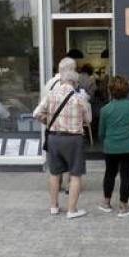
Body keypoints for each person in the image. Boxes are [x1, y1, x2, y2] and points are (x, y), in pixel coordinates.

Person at [34, 70, 92, 219]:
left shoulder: (51, 95)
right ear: (75, 83)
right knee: (75, 175)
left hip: (54, 138)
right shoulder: (79, 98)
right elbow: (89, 119)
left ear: (61, 82)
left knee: (54, 173)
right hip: (74, 139)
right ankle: (72, 210)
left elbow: (36, 113)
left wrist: (47, 121)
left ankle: (54, 207)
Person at [98, 75, 129, 217]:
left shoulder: (105, 109)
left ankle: (106, 203)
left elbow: (101, 133)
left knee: (109, 174)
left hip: (110, 147)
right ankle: (123, 207)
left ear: (110, 90)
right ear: (127, 90)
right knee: (126, 176)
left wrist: (106, 141)